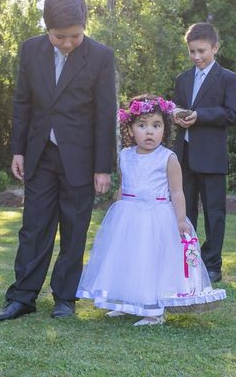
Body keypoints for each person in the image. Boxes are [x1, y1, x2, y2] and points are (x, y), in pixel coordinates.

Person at [0, 0, 116, 322]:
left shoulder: (101, 56)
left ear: (84, 27)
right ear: (47, 29)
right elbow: (22, 103)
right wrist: (18, 149)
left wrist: (104, 167)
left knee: (74, 229)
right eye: (60, 36)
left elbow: (106, 113)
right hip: (39, 154)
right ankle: (22, 297)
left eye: (75, 36)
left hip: (81, 160)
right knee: (33, 228)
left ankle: (65, 298)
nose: (68, 43)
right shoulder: (31, 50)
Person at [77, 95, 226, 326]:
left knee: (150, 260)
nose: (149, 132)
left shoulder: (168, 158)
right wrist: (116, 210)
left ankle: (153, 310)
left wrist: (180, 219)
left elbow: (177, 192)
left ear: (165, 129)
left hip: (156, 215)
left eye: (156, 126)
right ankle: (127, 301)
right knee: (127, 258)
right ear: (130, 129)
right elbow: (124, 186)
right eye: (142, 125)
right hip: (128, 215)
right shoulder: (125, 156)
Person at [172, 23, 236, 283]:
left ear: (215, 47)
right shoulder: (183, 79)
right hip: (184, 155)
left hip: (211, 156)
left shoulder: (228, 79)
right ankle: (185, 259)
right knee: (184, 211)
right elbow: (177, 106)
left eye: (201, 51)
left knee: (214, 213)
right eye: (192, 51)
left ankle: (212, 264)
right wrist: (175, 114)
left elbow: (233, 114)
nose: (196, 57)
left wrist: (200, 116)